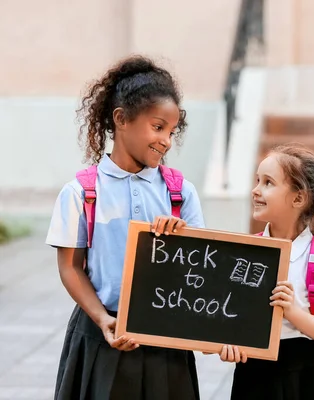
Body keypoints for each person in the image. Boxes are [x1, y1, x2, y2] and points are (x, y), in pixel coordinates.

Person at [46, 55, 205, 400]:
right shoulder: (81, 192)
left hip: (166, 340)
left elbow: (201, 270)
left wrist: (182, 239)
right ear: (121, 119)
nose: (165, 140)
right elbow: (70, 267)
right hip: (102, 335)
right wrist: (103, 319)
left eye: (171, 132)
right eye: (157, 127)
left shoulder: (182, 193)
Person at [225, 144, 314, 400]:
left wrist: (295, 312)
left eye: (268, 183)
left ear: (298, 198)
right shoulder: (247, 252)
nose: (255, 190)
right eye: (257, 180)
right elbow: (229, 316)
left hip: (306, 377)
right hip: (253, 374)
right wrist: (227, 343)